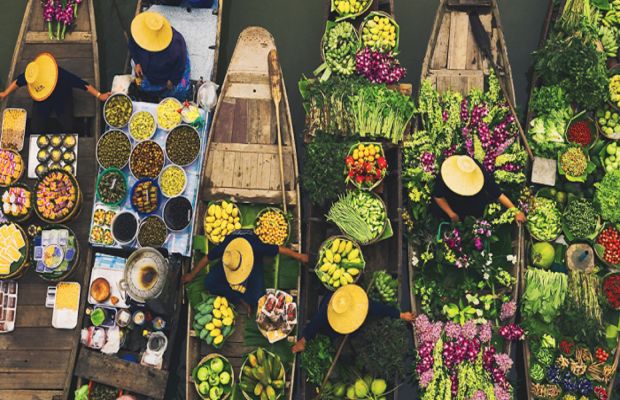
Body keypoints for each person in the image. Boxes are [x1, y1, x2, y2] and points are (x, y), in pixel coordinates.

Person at [181, 230, 309, 311]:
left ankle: (243, 296)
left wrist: (299, 256)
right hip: (230, 263)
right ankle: (239, 298)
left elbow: (278, 249)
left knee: (257, 299)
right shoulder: (227, 250)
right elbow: (207, 259)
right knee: (209, 282)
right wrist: (191, 276)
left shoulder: (256, 247)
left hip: (253, 261)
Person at [0, 52, 110, 134]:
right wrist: (5, 93)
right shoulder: (34, 74)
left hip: (61, 99)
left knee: (68, 126)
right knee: (36, 129)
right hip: (43, 100)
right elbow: (18, 82)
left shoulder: (62, 76)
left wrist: (99, 95)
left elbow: (82, 84)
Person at [291, 284, 415, 353]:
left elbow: (380, 308)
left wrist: (402, 315)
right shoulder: (326, 311)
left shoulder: (357, 302)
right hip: (331, 328)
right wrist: (303, 341)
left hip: (345, 313)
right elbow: (314, 325)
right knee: (344, 350)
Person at [431, 155, 526, 224]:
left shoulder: (480, 174)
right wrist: (451, 214)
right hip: (451, 201)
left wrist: (515, 211)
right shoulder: (447, 173)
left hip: (473, 202)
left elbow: (497, 194)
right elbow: (438, 196)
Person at [128, 11, 191, 100]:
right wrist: (137, 62)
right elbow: (132, 45)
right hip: (146, 71)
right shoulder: (138, 32)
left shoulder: (176, 45)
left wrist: (173, 80)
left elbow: (180, 64)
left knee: (178, 90)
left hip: (164, 75)